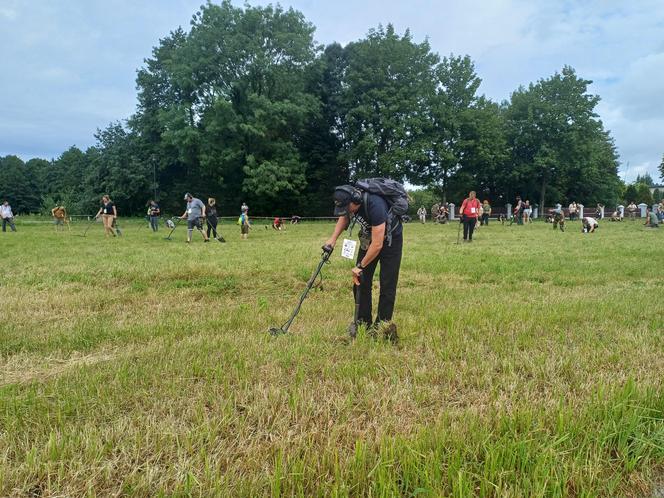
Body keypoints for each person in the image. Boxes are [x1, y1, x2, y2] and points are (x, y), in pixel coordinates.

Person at [324, 184, 403, 342]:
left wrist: (360, 266)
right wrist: (332, 240)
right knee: (360, 281)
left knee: (387, 284)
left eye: (348, 208)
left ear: (355, 201)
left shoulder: (375, 205)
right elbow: (344, 217)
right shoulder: (351, 205)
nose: (347, 212)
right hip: (369, 239)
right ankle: (363, 322)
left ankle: (382, 324)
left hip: (390, 241)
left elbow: (378, 244)